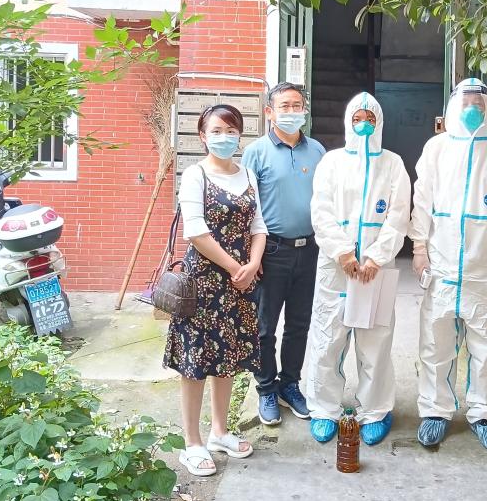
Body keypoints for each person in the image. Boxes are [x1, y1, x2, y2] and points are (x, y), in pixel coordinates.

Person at [409, 78, 487, 453]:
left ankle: (485, 414)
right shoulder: (437, 148)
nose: (473, 109)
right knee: (436, 341)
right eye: (466, 103)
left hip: (485, 264)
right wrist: (419, 247)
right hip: (442, 263)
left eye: (479, 103)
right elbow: (422, 200)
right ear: (453, 107)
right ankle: (436, 410)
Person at [164, 103, 266, 476]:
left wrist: (252, 265)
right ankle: (192, 443)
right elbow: (195, 231)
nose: (225, 137)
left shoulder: (248, 174)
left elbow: (259, 225)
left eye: (231, 130)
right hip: (203, 283)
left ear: (240, 135)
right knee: (195, 362)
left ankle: (220, 432)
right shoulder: (196, 175)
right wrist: (237, 267)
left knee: (228, 358)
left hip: (240, 283)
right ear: (203, 136)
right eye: (216, 131)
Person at [303, 93, 411, 446]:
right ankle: (324, 409)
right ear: (348, 122)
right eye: (357, 118)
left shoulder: (393, 163)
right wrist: (344, 254)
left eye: (370, 118)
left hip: (376, 270)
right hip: (337, 268)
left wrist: (376, 257)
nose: (364, 124)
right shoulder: (332, 162)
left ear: (379, 123)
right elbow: (321, 212)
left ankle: (375, 410)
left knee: (375, 342)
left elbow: (398, 215)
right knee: (327, 339)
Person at [241, 82, 326, 426]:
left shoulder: (317, 150)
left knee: (300, 324)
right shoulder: (256, 152)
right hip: (271, 252)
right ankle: (266, 389)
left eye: (297, 105)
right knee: (265, 326)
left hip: (310, 250)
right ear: (269, 112)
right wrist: (252, 256)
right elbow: (246, 208)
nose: (292, 112)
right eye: (284, 106)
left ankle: (290, 384)